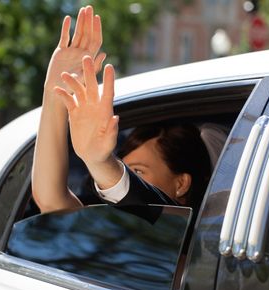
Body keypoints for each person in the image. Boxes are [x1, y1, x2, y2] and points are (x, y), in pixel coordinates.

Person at [32, 6, 212, 214]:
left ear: (181, 184)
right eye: (124, 167)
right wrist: (55, 93)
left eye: (137, 171)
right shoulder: (113, 230)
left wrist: (99, 162)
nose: (122, 176)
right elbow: (52, 202)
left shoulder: (200, 236)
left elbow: (160, 211)